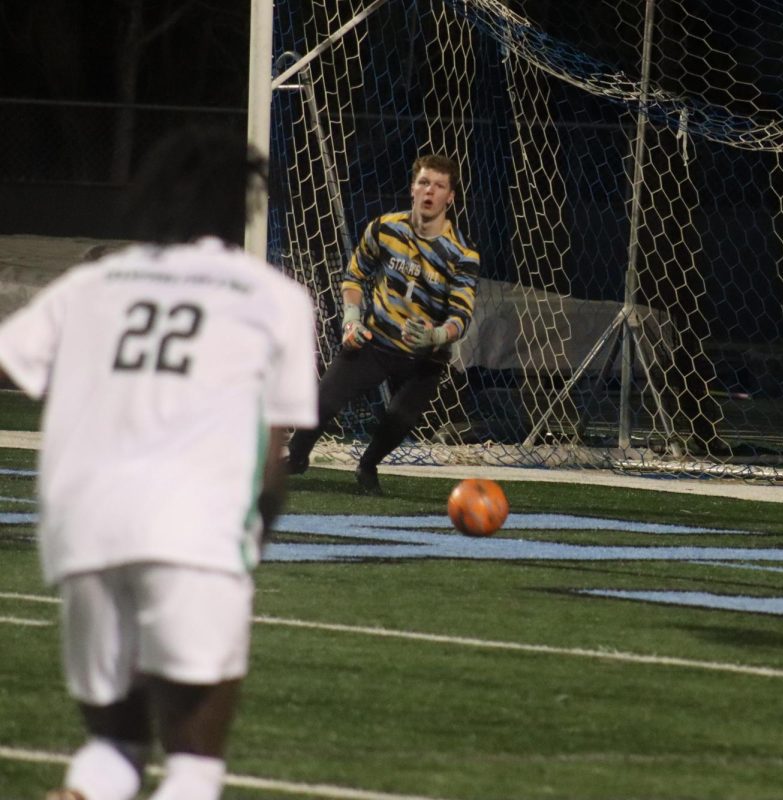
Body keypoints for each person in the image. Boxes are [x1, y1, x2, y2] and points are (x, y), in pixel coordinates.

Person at [0, 129, 318, 799]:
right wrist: (255, 533)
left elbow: (14, 356)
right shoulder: (273, 298)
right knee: (194, 766)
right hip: (193, 527)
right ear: (243, 204)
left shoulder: (90, 284)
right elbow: (273, 446)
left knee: (112, 747)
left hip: (80, 525)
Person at [285, 154, 480, 495]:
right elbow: (355, 276)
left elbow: (460, 316)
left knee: (399, 419)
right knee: (320, 404)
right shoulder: (385, 229)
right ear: (412, 189)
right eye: (423, 183)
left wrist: (436, 334)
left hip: (424, 357)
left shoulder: (462, 254)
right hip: (375, 341)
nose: (429, 191)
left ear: (450, 196)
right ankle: (297, 457)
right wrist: (351, 318)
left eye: (438, 185)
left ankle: (368, 466)